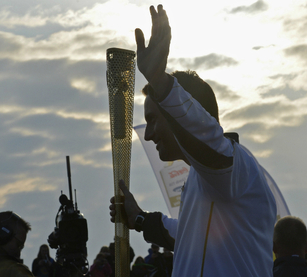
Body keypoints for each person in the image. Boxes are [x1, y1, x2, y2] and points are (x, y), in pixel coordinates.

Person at [109, 5, 277, 277]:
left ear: (184, 114)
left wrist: (161, 84)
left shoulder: (235, 167)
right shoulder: (202, 180)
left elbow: (211, 142)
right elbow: (185, 236)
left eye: (153, 120)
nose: (149, 134)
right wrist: (139, 218)